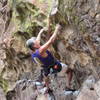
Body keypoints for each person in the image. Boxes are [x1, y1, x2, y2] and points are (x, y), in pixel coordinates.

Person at [26, 24, 74, 91]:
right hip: (55, 66)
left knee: (46, 75)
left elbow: (37, 40)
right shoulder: (41, 50)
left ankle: (48, 88)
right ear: (34, 45)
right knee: (69, 71)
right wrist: (57, 29)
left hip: (46, 68)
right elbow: (51, 41)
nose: (37, 41)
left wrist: (40, 32)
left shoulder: (33, 53)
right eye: (35, 41)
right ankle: (68, 86)